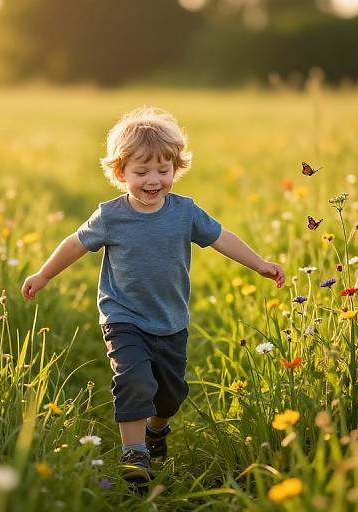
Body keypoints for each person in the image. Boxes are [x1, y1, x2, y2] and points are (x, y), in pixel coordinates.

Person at [21, 106, 285, 485]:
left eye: (163, 170)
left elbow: (222, 237)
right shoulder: (110, 216)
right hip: (123, 317)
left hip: (170, 320)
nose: (153, 180)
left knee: (170, 395)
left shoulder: (184, 212)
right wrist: (44, 274)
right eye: (141, 172)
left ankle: (156, 431)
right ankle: (134, 455)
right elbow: (75, 244)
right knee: (135, 381)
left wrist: (259, 264)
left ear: (176, 168)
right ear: (120, 172)